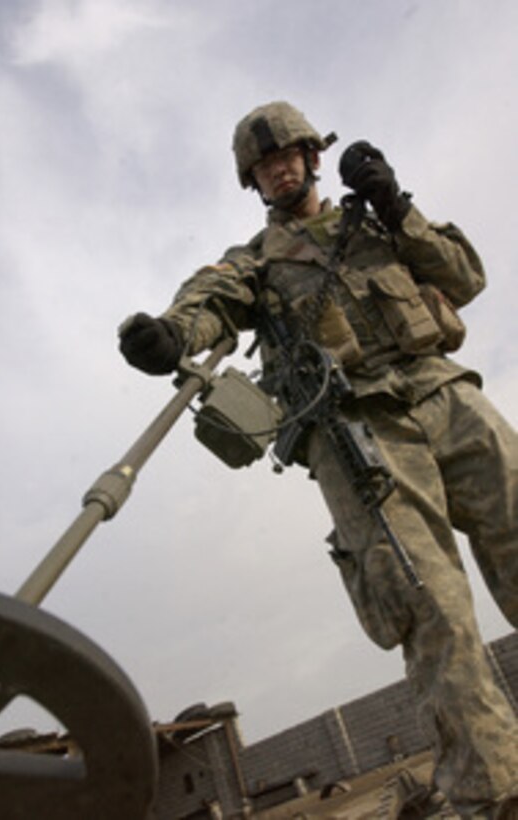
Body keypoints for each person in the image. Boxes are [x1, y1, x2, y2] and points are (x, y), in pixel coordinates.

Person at [118, 102, 518, 819]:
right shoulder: (254, 262)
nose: (277, 170)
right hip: (354, 434)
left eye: (286, 156)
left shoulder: (376, 224)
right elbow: (205, 304)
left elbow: (464, 277)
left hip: (442, 393)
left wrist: (397, 203)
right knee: (431, 610)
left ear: (310, 156)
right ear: (255, 182)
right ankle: (495, 795)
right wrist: (168, 337)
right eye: (262, 166)